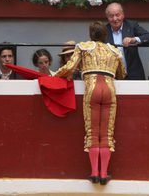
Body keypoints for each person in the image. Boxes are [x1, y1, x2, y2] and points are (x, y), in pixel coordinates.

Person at [54, 21, 127, 185]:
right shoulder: (114, 50)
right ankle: (104, 173)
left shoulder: (83, 47)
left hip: (92, 88)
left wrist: (54, 76)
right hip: (109, 89)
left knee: (93, 132)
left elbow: (70, 67)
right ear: (105, 34)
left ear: (90, 34)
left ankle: (94, 172)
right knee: (107, 133)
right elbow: (122, 73)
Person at [105, 2, 149, 80]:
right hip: (112, 76)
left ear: (123, 15)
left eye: (117, 15)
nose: (115, 19)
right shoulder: (104, 30)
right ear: (107, 18)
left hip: (134, 75)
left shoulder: (131, 25)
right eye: (111, 16)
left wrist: (134, 39)